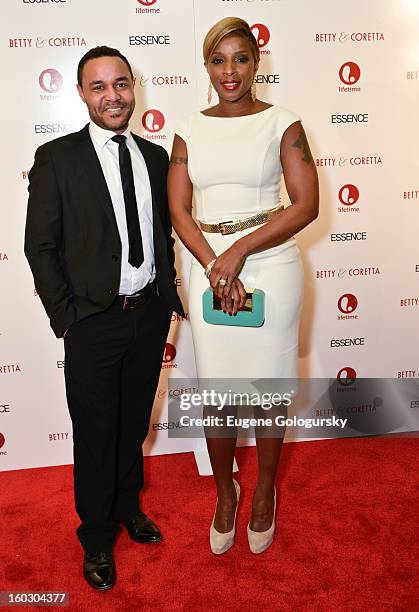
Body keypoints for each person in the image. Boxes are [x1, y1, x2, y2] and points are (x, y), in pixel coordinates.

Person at [24, 46, 183, 589]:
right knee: (95, 431)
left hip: (149, 314)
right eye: (99, 87)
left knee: (133, 422)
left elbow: (163, 232)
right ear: (82, 93)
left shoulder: (156, 157)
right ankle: (96, 537)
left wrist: (168, 295)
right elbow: (40, 247)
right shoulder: (57, 158)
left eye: (121, 84)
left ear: (133, 87)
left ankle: (127, 508)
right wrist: (67, 317)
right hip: (92, 321)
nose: (113, 96)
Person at [168, 17, 318, 555]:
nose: (229, 71)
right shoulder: (189, 127)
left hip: (270, 265)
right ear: (206, 66)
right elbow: (178, 209)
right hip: (206, 265)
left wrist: (238, 253)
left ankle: (263, 493)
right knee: (218, 389)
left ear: (257, 63)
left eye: (240, 59)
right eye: (218, 60)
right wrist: (215, 264)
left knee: (269, 386)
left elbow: (306, 204)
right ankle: (224, 492)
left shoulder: (285, 123)